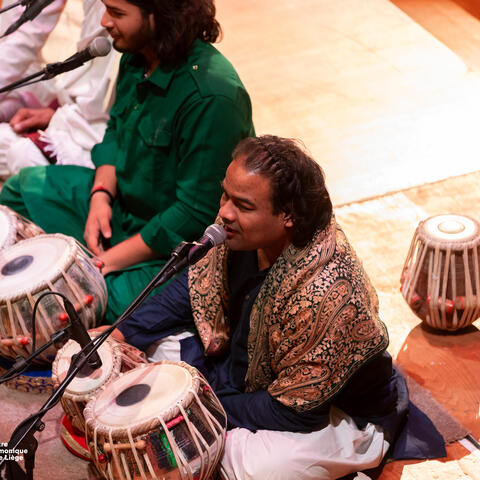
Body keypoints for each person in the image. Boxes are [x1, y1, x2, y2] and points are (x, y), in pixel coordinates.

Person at [101, 135, 413, 480]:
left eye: (243, 205)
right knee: (151, 357)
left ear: (288, 215)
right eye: (225, 195)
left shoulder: (324, 290)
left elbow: (296, 412)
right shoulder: (239, 230)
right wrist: (122, 332)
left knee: (253, 469)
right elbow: (193, 287)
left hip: (333, 412)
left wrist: (200, 409)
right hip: (246, 377)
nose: (224, 212)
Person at [0, 0, 254, 325]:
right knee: (21, 191)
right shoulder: (136, 57)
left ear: (161, 16)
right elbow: (115, 132)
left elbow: (194, 214)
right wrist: (100, 196)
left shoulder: (212, 96)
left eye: (117, 13)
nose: (104, 21)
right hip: (123, 212)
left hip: (178, 251)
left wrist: (104, 264)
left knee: (94, 300)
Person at [0, 0, 119, 176]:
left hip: (92, 128)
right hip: (70, 111)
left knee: (20, 154)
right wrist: (54, 111)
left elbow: (25, 37)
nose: (105, 20)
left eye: (116, 12)